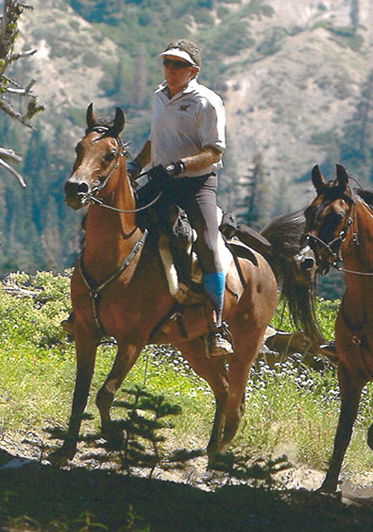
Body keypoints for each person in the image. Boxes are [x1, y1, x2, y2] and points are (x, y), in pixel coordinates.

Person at [127, 39, 233, 358]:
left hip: (196, 185)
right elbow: (155, 139)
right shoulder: (160, 96)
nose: (171, 69)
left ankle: (216, 325)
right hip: (162, 181)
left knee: (207, 242)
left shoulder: (207, 101)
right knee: (114, 222)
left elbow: (214, 151)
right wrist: (135, 165)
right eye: (168, 63)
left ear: (193, 71)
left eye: (178, 65)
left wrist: (179, 166)